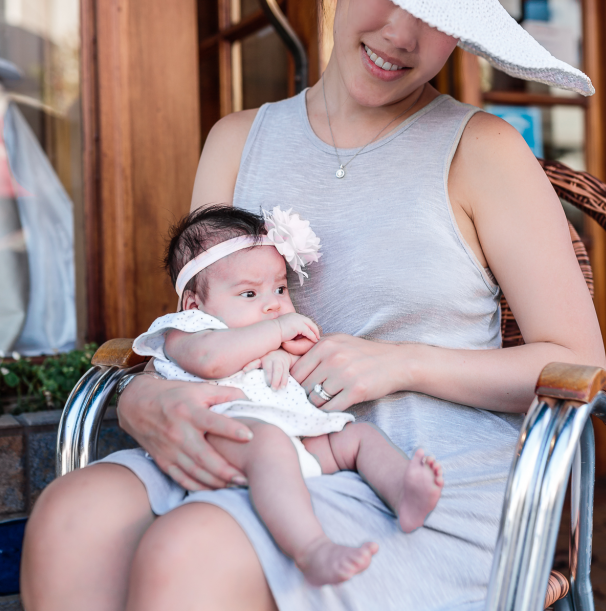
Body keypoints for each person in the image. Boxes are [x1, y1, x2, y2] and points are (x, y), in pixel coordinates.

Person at [21, 0, 604, 611]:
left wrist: (399, 363)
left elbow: (578, 364)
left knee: (189, 553)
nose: (400, 32)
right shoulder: (239, 140)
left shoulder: (483, 151)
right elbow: (191, 325)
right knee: (70, 519)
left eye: (440, 14)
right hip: (256, 437)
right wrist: (148, 403)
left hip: (413, 479)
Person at [133, 202, 443, 585]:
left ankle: (403, 492)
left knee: (356, 437)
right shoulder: (188, 330)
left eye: (280, 288)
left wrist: (285, 349)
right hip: (226, 438)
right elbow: (211, 361)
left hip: (295, 442)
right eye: (249, 294)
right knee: (269, 444)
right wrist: (277, 333)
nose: (272, 304)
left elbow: (302, 359)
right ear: (194, 303)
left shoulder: (267, 338)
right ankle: (311, 549)